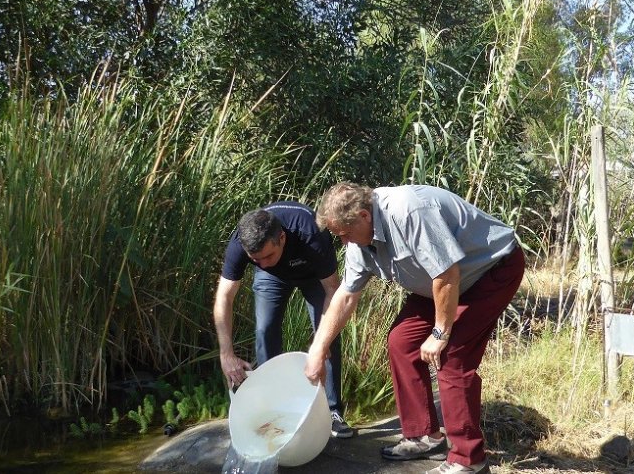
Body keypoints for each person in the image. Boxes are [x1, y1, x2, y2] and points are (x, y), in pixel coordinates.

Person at [305, 183, 524, 474]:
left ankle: (469, 460)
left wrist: (440, 333)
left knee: (451, 356)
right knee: (401, 342)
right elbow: (346, 296)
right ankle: (424, 436)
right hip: (438, 284)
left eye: (344, 235)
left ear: (363, 216)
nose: (344, 242)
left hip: (489, 270)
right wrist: (319, 348)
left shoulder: (409, 211)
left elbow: (447, 274)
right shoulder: (359, 238)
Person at [213, 201, 354, 438]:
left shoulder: (311, 231)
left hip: (313, 277)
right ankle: (273, 412)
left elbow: (333, 290)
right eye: (255, 259)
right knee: (265, 330)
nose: (262, 263)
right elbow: (224, 298)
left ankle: (332, 412)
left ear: (282, 238)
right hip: (272, 280)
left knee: (328, 336)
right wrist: (226, 354)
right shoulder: (241, 243)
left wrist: (320, 343)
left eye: (268, 255)